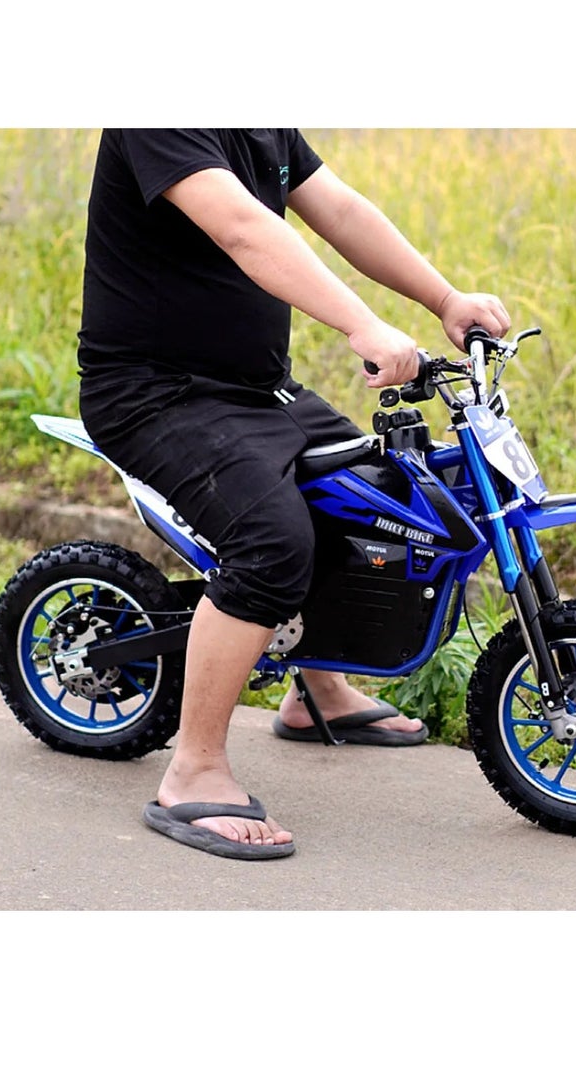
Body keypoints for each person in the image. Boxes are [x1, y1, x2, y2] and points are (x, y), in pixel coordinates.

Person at [78, 129, 510, 860]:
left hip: (255, 389)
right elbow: (244, 227)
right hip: (155, 393)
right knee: (271, 542)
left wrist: (444, 297)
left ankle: (319, 690)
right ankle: (194, 769)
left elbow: (337, 208)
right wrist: (361, 323)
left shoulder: (262, 114)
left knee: (367, 496)